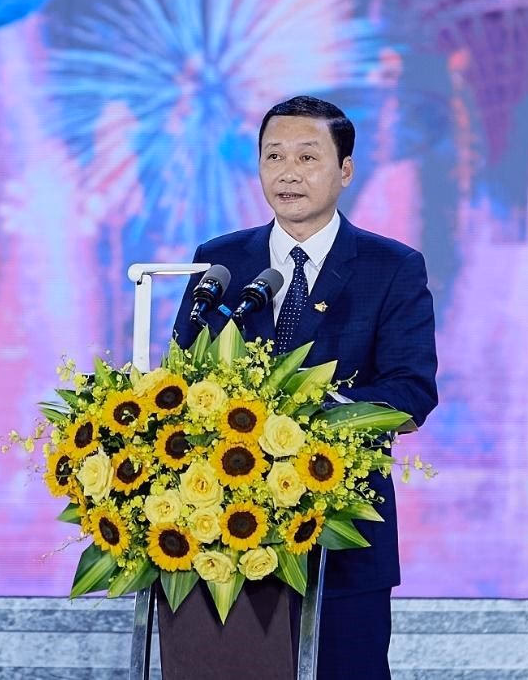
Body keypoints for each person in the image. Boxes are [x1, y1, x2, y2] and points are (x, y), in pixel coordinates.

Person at [172, 95, 438, 679]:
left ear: (345, 169)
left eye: (307, 156)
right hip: (223, 538)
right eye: (274, 156)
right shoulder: (218, 262)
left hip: (343, 538)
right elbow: (182, 377)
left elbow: (412, 391)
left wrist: (306, 416)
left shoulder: (391, 267)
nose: (288, 172)